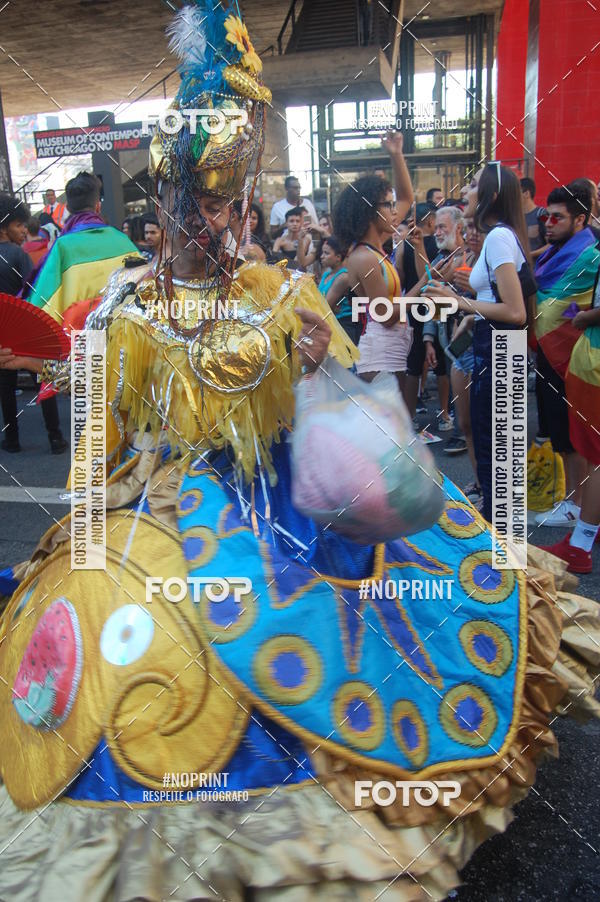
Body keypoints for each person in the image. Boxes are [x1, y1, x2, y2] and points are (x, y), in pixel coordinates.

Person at [0, 6, 598, 900]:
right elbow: (107, 438)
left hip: (277, 507)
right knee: (123, 641)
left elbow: (339, 415)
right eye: (200, 199)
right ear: (162, 200)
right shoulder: (125, 310)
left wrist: (312, 364)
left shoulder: (277, 293)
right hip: (152, 515)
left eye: (227, 200)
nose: (217, 219)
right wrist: (91, 515)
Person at [425, 163, 533, 523]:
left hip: (500, 351)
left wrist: (459, 303)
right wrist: (473, 313)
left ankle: (504, 553)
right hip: (494, 346)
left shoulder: (499, 237)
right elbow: (503, 301)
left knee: (496, 457)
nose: (466, 190)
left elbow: (516, 311)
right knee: (496, 455)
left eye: (472, 184)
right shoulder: (500, 236)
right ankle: (503, 547)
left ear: (492, 195)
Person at [532, 183, 600, 529]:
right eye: (546, 215)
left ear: (580, 220)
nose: (548, 223)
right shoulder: (557, 251)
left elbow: (552, 304)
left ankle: (577, 505)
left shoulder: (586, 253)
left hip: (573, 356)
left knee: (577, 438)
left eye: (557, 217)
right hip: (556, 354)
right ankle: (578, 502)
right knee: (564, 432)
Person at [332, 132, 414, 390]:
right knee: (383, 426)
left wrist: (396, 154)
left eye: (392, 205)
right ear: (369, 211)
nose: (394, 210)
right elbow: (386, 315)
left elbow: (406, 199)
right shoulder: (364, 257)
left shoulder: (375, 247)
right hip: (377, 356)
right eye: (387, 205)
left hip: (391, 351)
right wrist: (425, 285)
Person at [26, 171, 137, 329]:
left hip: (80, 341)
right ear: (98, 205)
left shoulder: (62, 247)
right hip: (122, 334)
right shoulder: (123, 241)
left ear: (69, 209)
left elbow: (42, 307)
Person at [0, 194, 67, 454]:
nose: (23, 230)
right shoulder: (18, 255)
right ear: (4, 226)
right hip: (26, 333)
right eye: (18, 225)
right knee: (43, 380)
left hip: (3, 337)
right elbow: (34, 292)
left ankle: (12, 440)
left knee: (6, 389)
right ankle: (55, 438)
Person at [319, 235, 360, 344]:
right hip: (330, 324)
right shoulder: (326, 274)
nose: (322, 256)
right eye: (322, 252)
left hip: (343, 327)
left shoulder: (343, 277)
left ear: (338, 257)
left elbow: (325, 305)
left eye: (326, 253)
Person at [520, 177, 548, 259]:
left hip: (538, 268)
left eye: (516, 193)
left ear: (526, 194)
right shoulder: (515, 217)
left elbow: (553, 244)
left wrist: (530, 254)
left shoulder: (543, 214)